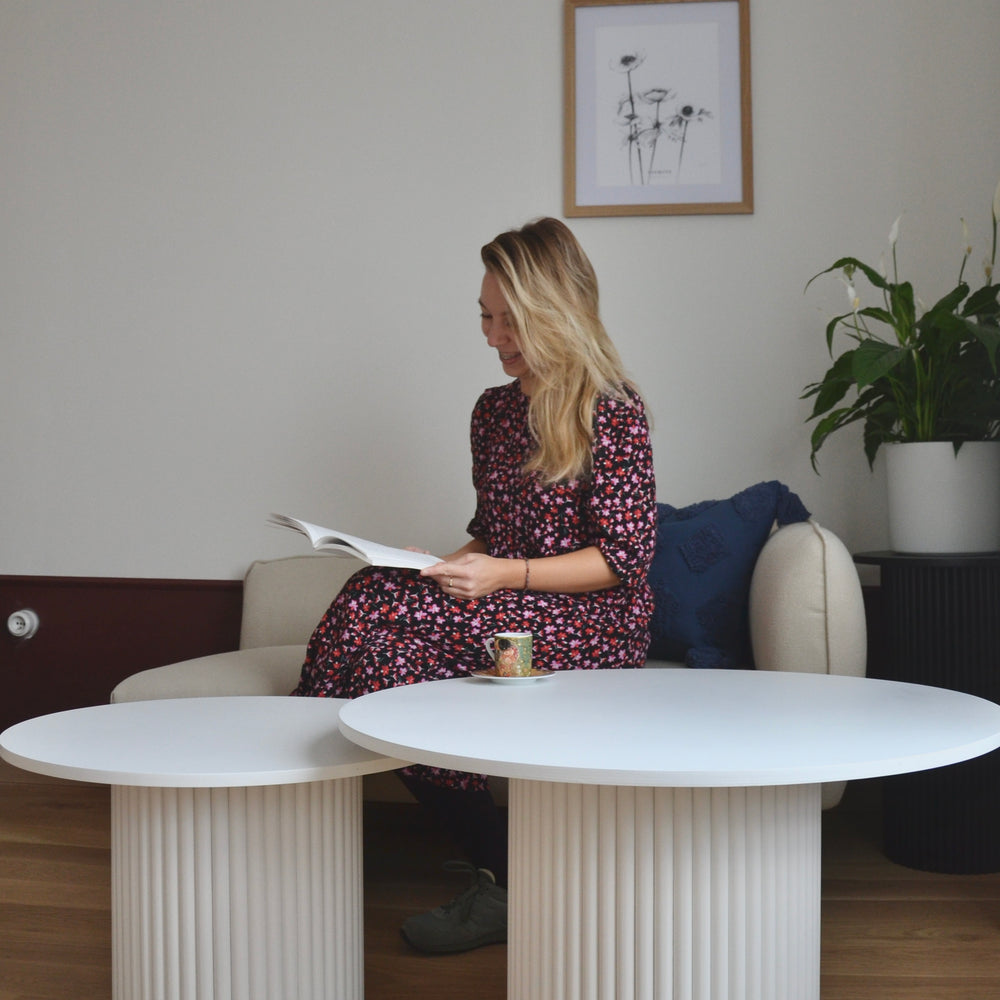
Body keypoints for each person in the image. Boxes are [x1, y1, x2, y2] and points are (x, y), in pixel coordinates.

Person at [294, 216, 657, 953]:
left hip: (591, 620)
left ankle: (291, 816)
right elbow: (491, 530)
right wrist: (445, 567)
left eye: (508, 320)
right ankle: (505, 873)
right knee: (377, 632)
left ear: (554, 312)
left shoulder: (611, 410)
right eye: (485, 318)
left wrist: (500, 575)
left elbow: (623, 560)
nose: (492, 336)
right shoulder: (492, 413)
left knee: (377, 623)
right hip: (509, 598)